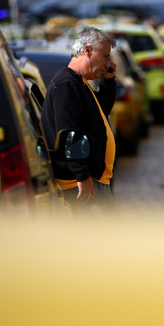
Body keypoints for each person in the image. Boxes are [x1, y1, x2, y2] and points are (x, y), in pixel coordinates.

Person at [41, 26, 117, 214]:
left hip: (90, 180)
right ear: (88, 50)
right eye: (106, 56)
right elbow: (69, 134)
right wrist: (82, 177)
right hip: (79, 184)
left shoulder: (79, 83)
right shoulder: (67, 84)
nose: (108, 63)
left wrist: (108, 82)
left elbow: (100, 114)